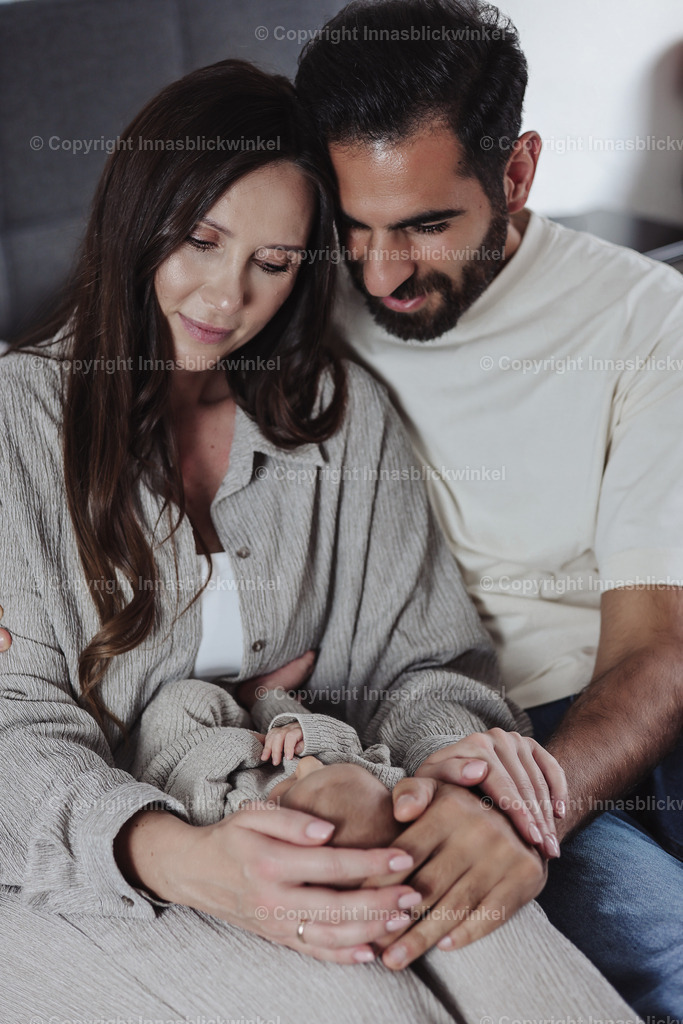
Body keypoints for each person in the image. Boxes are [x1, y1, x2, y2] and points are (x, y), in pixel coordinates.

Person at [0, 57, 638, 1023]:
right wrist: (183, 856)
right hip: (72, 866)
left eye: (271, 262)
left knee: (519, 964)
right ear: (136, 219)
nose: (224, 298)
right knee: (368, 1007)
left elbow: (421, 666)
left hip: (318, 809)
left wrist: (458, 774)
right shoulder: (18, 420)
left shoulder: (337, 418)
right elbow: (16, 733)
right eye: (200, 241)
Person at [293, 0, 683, 1017]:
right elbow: (92, 354)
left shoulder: (644, 318)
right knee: (662, 955)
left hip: (608, 704)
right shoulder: (280, 295)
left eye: (424, 226)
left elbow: (654, 644)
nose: (379, 273)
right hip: (448, 720)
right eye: (354, 228)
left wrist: (521, 807)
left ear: (514, 175)